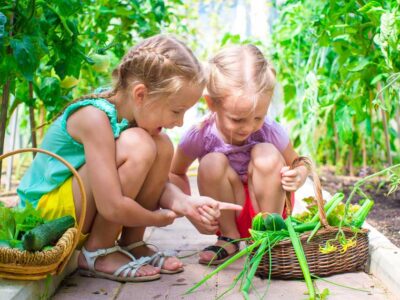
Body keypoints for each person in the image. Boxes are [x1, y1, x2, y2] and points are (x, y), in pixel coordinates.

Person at [16, 35, 241, 282]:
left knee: (162, 145)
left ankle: (132, 243)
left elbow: (157, 185)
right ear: (141, 94)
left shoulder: (129, 116)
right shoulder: (94, 118)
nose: (179, 122)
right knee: (141, 144)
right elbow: (111, 205)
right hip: (46, 214)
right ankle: (98, 251)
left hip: (77, 207)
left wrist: (186, 203)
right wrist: (156, 218)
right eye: (176, 111)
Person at [169, 44, 309, 265]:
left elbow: (299, 163)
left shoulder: (270, 130)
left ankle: (269, 237)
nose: (248, 127)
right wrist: (189, 207)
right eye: (237, 119)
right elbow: (175, 173)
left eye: (257, 117)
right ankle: (229, 238)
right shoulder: (199, 134)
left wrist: (299, 175)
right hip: (228, 211)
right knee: (211, 162)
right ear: (211, 103)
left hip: (267, 206)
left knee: (266, 152)